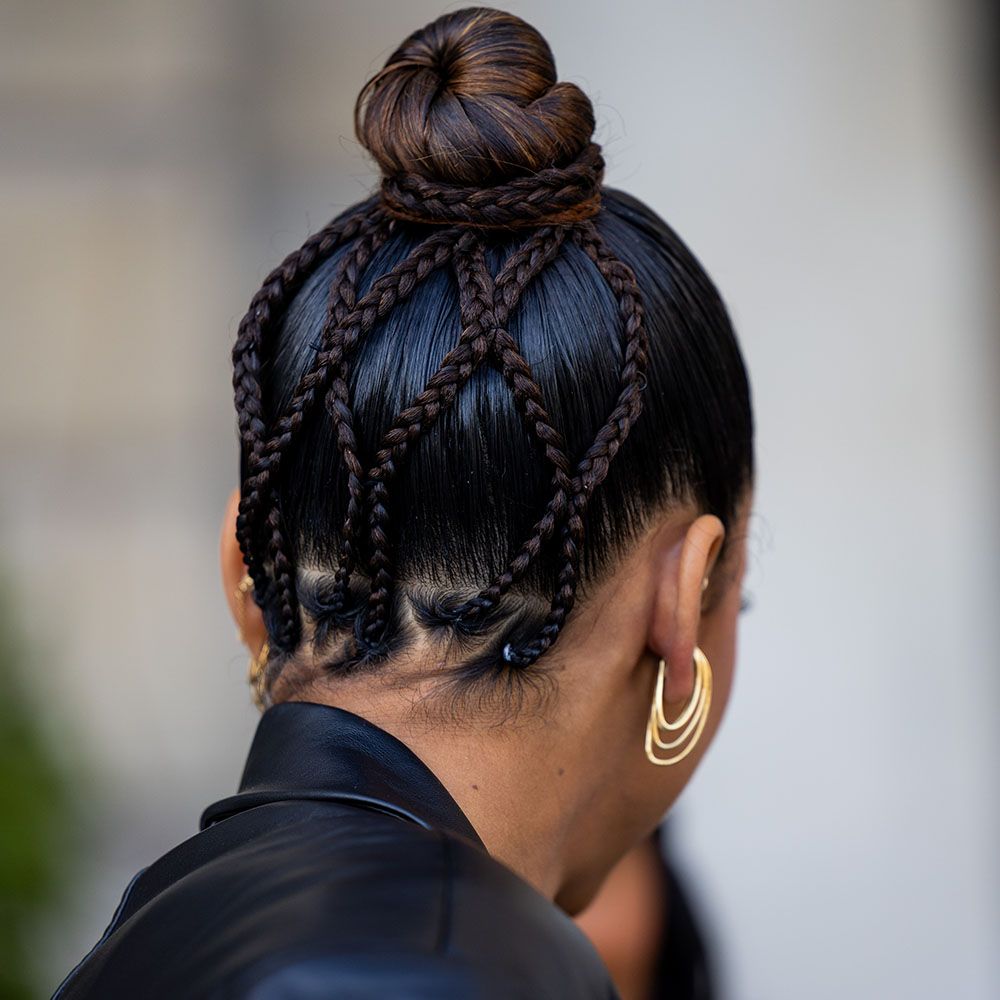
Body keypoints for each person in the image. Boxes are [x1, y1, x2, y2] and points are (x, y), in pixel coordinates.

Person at [52, 7, 754, 998]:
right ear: (680, 609)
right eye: (740, 593)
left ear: (244, 573)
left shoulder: (147, 930)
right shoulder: (455, 964)